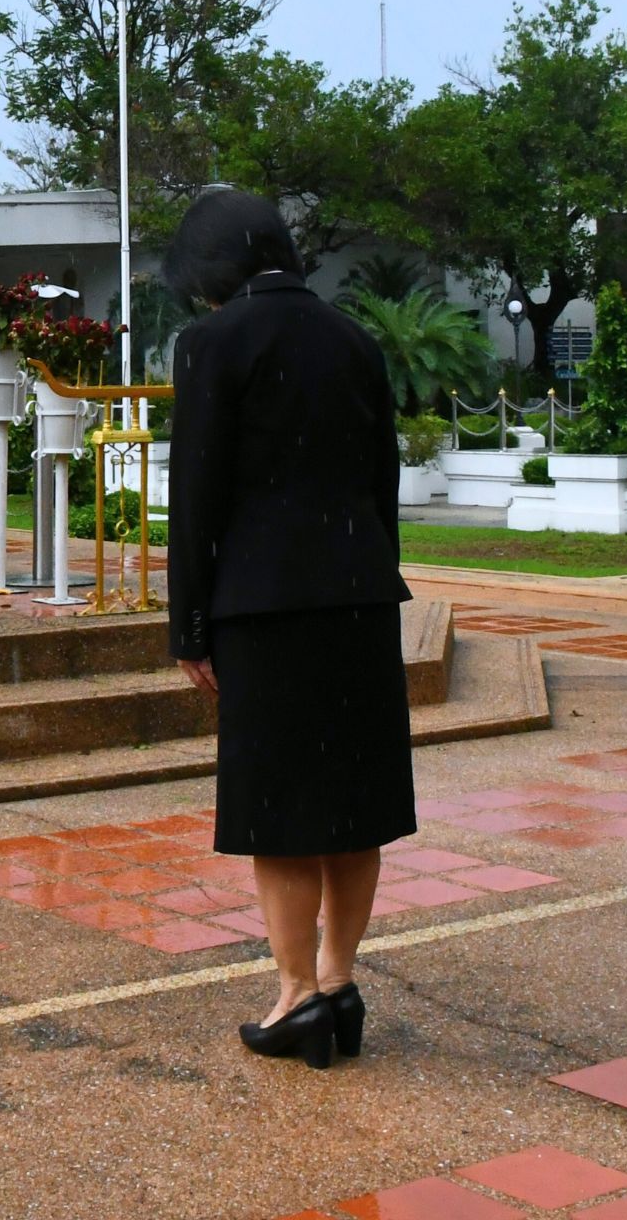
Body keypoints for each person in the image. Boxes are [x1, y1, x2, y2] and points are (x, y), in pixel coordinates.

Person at [163, 188, 414, 1070]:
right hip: (360, 597)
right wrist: (368, 574)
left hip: (263, 605)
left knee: (279, 811)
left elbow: (196, 496)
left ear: (211, 267)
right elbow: (382, 485)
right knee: (354, 803)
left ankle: (296, 993)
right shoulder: (355, 340)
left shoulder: (212, 342)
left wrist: (188, 627)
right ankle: (340, 982)